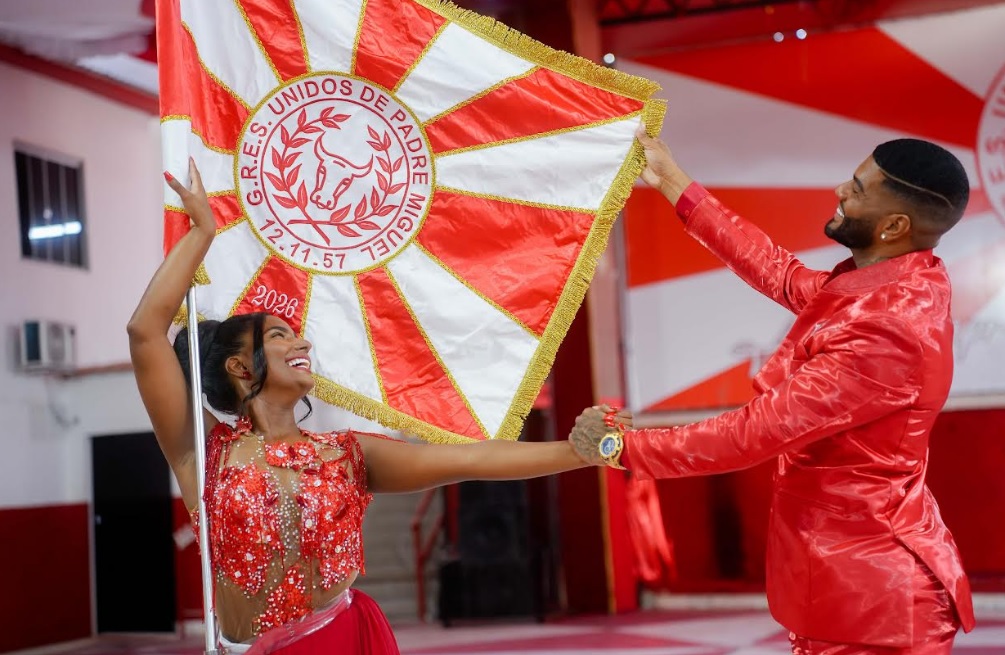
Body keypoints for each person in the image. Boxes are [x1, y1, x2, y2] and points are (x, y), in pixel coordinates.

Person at [127, 159, 628, 655]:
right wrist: (202, 234)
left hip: (345, 640)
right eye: (279, 335)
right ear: (239, 366)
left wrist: (575, 452)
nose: (302, 342)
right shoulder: (204, 451)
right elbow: (145, 331)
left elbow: (471, 458)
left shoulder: (348, 455)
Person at [570, 128, 975, 654]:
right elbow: (779, 273)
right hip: (855, 587)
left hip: (876, 605)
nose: (840, 190)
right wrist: (670, 179)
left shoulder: (888, 329)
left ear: (894, 225)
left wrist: (616, 446)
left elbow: (751, 434)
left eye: (857, 188)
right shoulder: (890, 287)